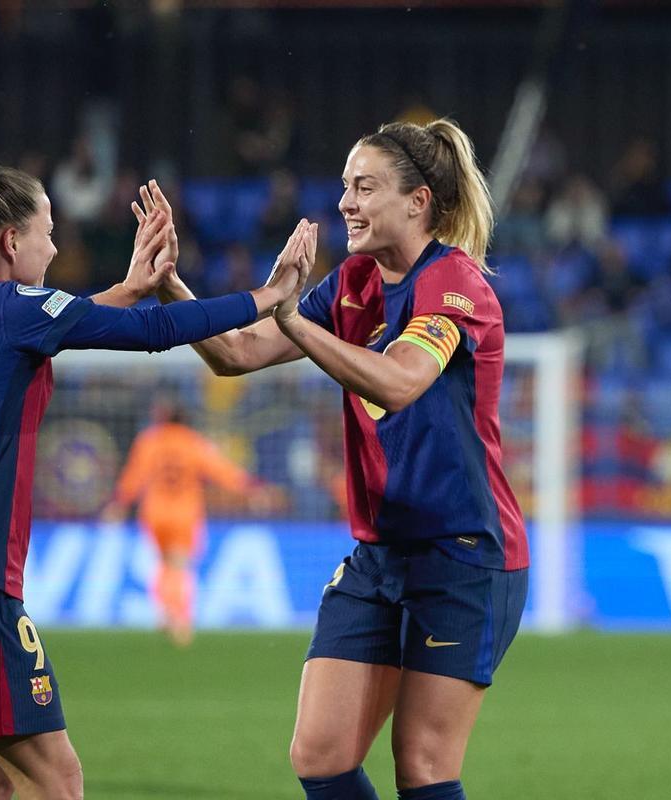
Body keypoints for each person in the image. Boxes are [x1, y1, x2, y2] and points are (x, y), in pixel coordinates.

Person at [0, 26, 308, 800]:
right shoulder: (14, 311)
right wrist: (266, 298)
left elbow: (57, 321)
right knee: (62, 784)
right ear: (11, 241)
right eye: (49, 233)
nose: (56, 247)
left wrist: (128, 284)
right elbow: (144, 334)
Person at [140, 117, 528, 800]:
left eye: (365, 187)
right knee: (320, 754)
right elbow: (237, 354)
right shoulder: (351, 283)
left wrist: (293, 321)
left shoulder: (454, 286)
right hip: (380, 554)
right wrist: (168, 283)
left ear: (418, 202)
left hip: (464, 554)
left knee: (424, 767)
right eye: (345, 186)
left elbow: (402, 381)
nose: (346, 202)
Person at [101, 397, 276, 647]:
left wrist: (119, 502)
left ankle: (165, 610)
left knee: (163, 563)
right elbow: (221, 471)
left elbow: (134, 476)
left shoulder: (149, 441)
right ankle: (180, 617)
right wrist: (251, 488)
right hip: (184, 512)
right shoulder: (193, 442)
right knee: (180, 564)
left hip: (156, 512)